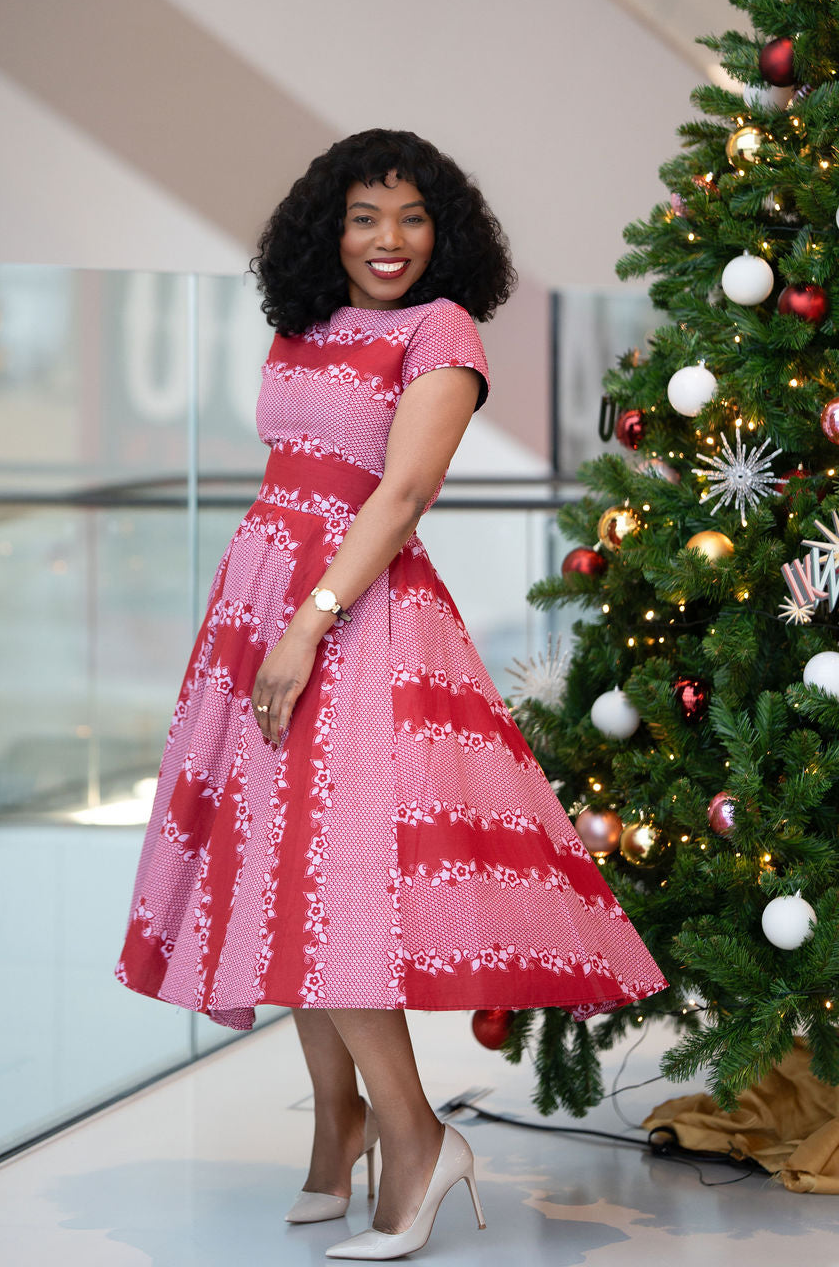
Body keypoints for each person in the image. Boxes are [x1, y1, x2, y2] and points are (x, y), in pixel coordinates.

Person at [115, 128, 668, 1260]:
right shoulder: (304, 321)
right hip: (262, 598)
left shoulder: (441, 331)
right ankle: (342, 1124)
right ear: (330, 226)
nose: (387, 240)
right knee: (277, 875)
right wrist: (265, 620)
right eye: (365, 215)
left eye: (411, 217)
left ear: (443, 230)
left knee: (331, 880)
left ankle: (416, 1137)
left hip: (352, 613)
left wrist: (308, 623)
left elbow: (403, 490)